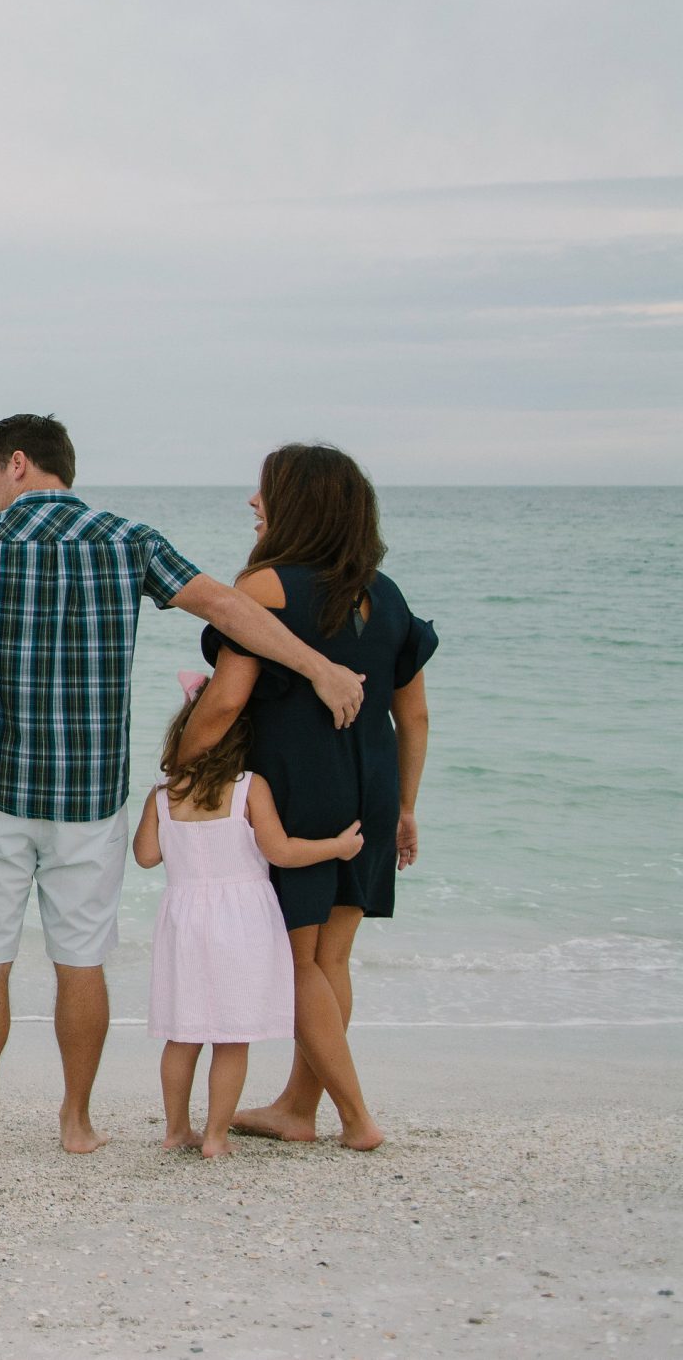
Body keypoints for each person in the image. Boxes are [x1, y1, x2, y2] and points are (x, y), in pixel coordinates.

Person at [0, 413, 368, 1158]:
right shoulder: (130, 540)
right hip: (93, 798)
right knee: (82, 960)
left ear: (20, 463)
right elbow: (229, 606)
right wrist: (318, 667)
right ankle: (77, 1122)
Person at [179, 443, 437, 1152]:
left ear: (296, 503)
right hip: (371, 784)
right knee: (332, 960)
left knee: (299, 962)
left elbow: (229, 698)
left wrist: (180, 759)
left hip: (299, 786)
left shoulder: (266, 586)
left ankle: (357, 1119)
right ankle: (299, 1105)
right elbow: (412, 715)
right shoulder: (385, 593)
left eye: (265, 491)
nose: (253, 503)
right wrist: (406, 806)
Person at [135, 673, 361, 1159]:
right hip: (241, 920)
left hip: (185, 919)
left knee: (183, 1033)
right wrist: (337, 847)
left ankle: (176, 1129)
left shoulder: (164, 795)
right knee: (231, 1037)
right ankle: (215, 1138)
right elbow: (280, 851)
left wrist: (160, 808)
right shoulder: (248, 787)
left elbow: (146, 856)